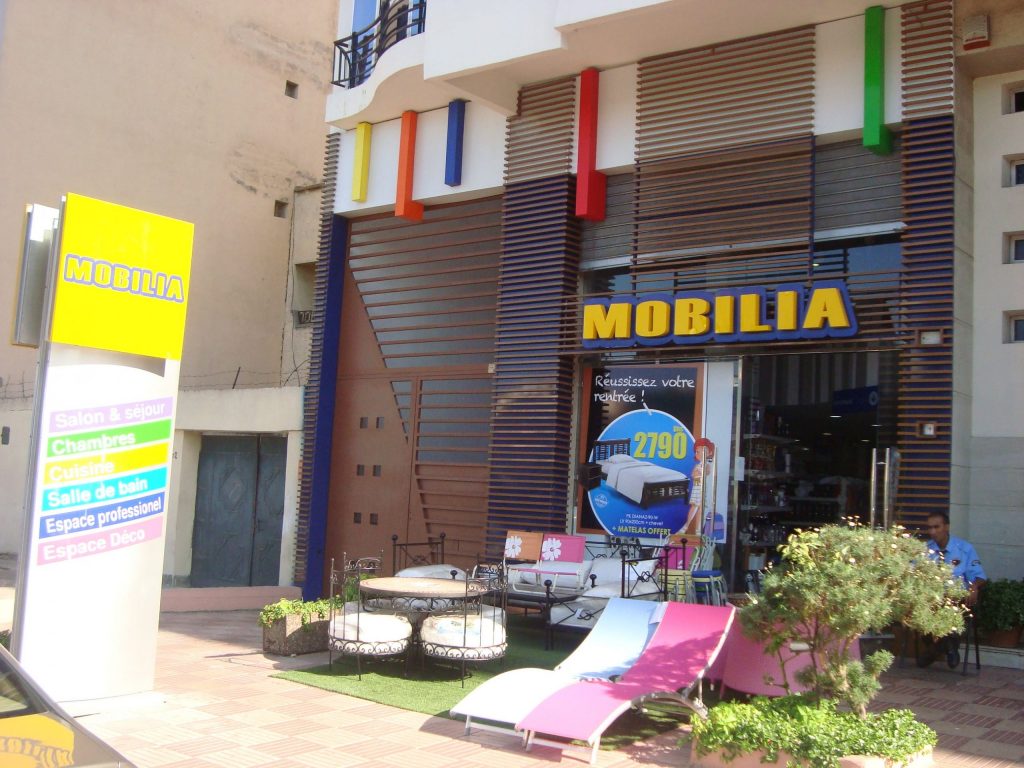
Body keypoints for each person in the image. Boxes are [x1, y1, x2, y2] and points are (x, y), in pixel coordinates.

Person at [917, 511, 987, 668]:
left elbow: (980, 576)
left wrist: (974, 586)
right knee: (920, 611)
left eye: (937, 527)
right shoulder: (925, 550)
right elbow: (913, 573)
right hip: (931, 599)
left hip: (957, 599)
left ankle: (934, 650)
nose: (932, 531)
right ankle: (948, 647)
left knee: (949, 607)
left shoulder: (964, 548)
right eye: (930, 528)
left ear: (946, 527)